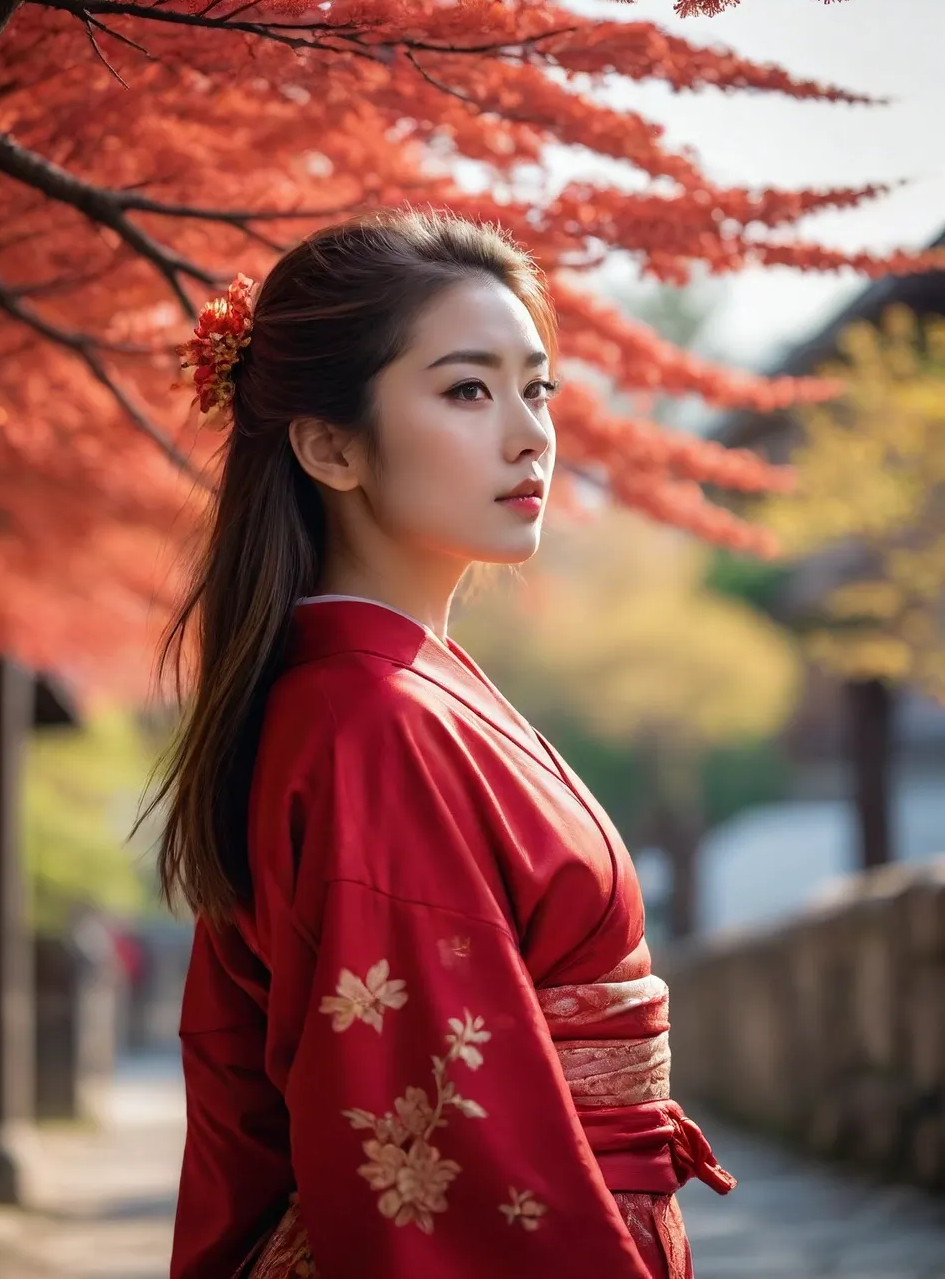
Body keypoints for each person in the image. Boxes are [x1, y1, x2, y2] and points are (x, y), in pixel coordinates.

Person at [143, 209, 735, 1279]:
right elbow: (440, 1138)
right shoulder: (374, 723)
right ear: (331, 445)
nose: (529, 433)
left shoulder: (379, 698)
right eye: (469, 389)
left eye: (537, 387)